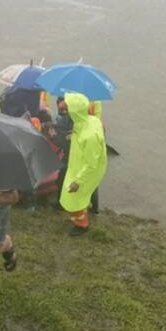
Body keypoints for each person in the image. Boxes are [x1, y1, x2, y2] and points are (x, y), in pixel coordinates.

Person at [58, 93, 107, 236]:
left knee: (74, 198)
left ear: (74, 111)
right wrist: (72, 134)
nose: (64, 107)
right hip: (78, 164)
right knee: (79, 197)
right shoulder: (91, 120)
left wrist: (78, 181)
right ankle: (83, 214)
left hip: (86, 170)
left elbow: (91, 164)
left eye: (68, 106)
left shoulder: (89, 136)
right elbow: (83, 129)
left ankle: (82, 225)